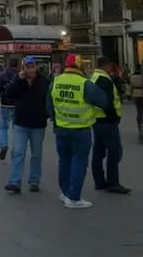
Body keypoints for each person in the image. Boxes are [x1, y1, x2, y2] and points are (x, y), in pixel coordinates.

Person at [48, 54, 107, 209]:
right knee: (79, 162)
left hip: (61, 128)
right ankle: (74, 198)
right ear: (80, 67)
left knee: (64, 160)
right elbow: (103, 101)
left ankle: (65, 192)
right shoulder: (85, 84)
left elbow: (49, 105)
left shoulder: (56, 81)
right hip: (81, 130)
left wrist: (56, 121)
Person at [4, 56, 50, 194]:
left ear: (36, 67)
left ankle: (34, 180)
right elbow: (9, 93)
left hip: (38, 124)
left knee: (36, 154)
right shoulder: (19, 81)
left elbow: (49, 99)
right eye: (27, 67)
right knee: (18, 153)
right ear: (23, 68)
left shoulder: (44, 82)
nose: (30, 69)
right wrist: (19, 80)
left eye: (32, 66)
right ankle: (15, 182)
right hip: (21, 123)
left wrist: (47, 114)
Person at [90, 56, 130, 195]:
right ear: (106, 66)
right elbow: (106, 101)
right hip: (107, 121)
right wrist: (114, 117)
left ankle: (99, 182)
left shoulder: (93, 77)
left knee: (98, 152)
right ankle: (113, 182)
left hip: (96, 120)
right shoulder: (104, 79)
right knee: (114, 152)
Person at [0, 58, 19, 160]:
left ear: (8, 64)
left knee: (3, 128)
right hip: (16, 105)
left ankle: (4, 145)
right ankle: (15, 150)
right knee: (17, 129)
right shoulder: (20, 75)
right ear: (17, 65)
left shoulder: (2, 75)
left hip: (5, 105)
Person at [129, 66, 143, 131]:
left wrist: (130, 94)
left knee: (139, 110)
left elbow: (131, 87)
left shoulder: (132, 77)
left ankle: (139, 125)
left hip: (136, 94)